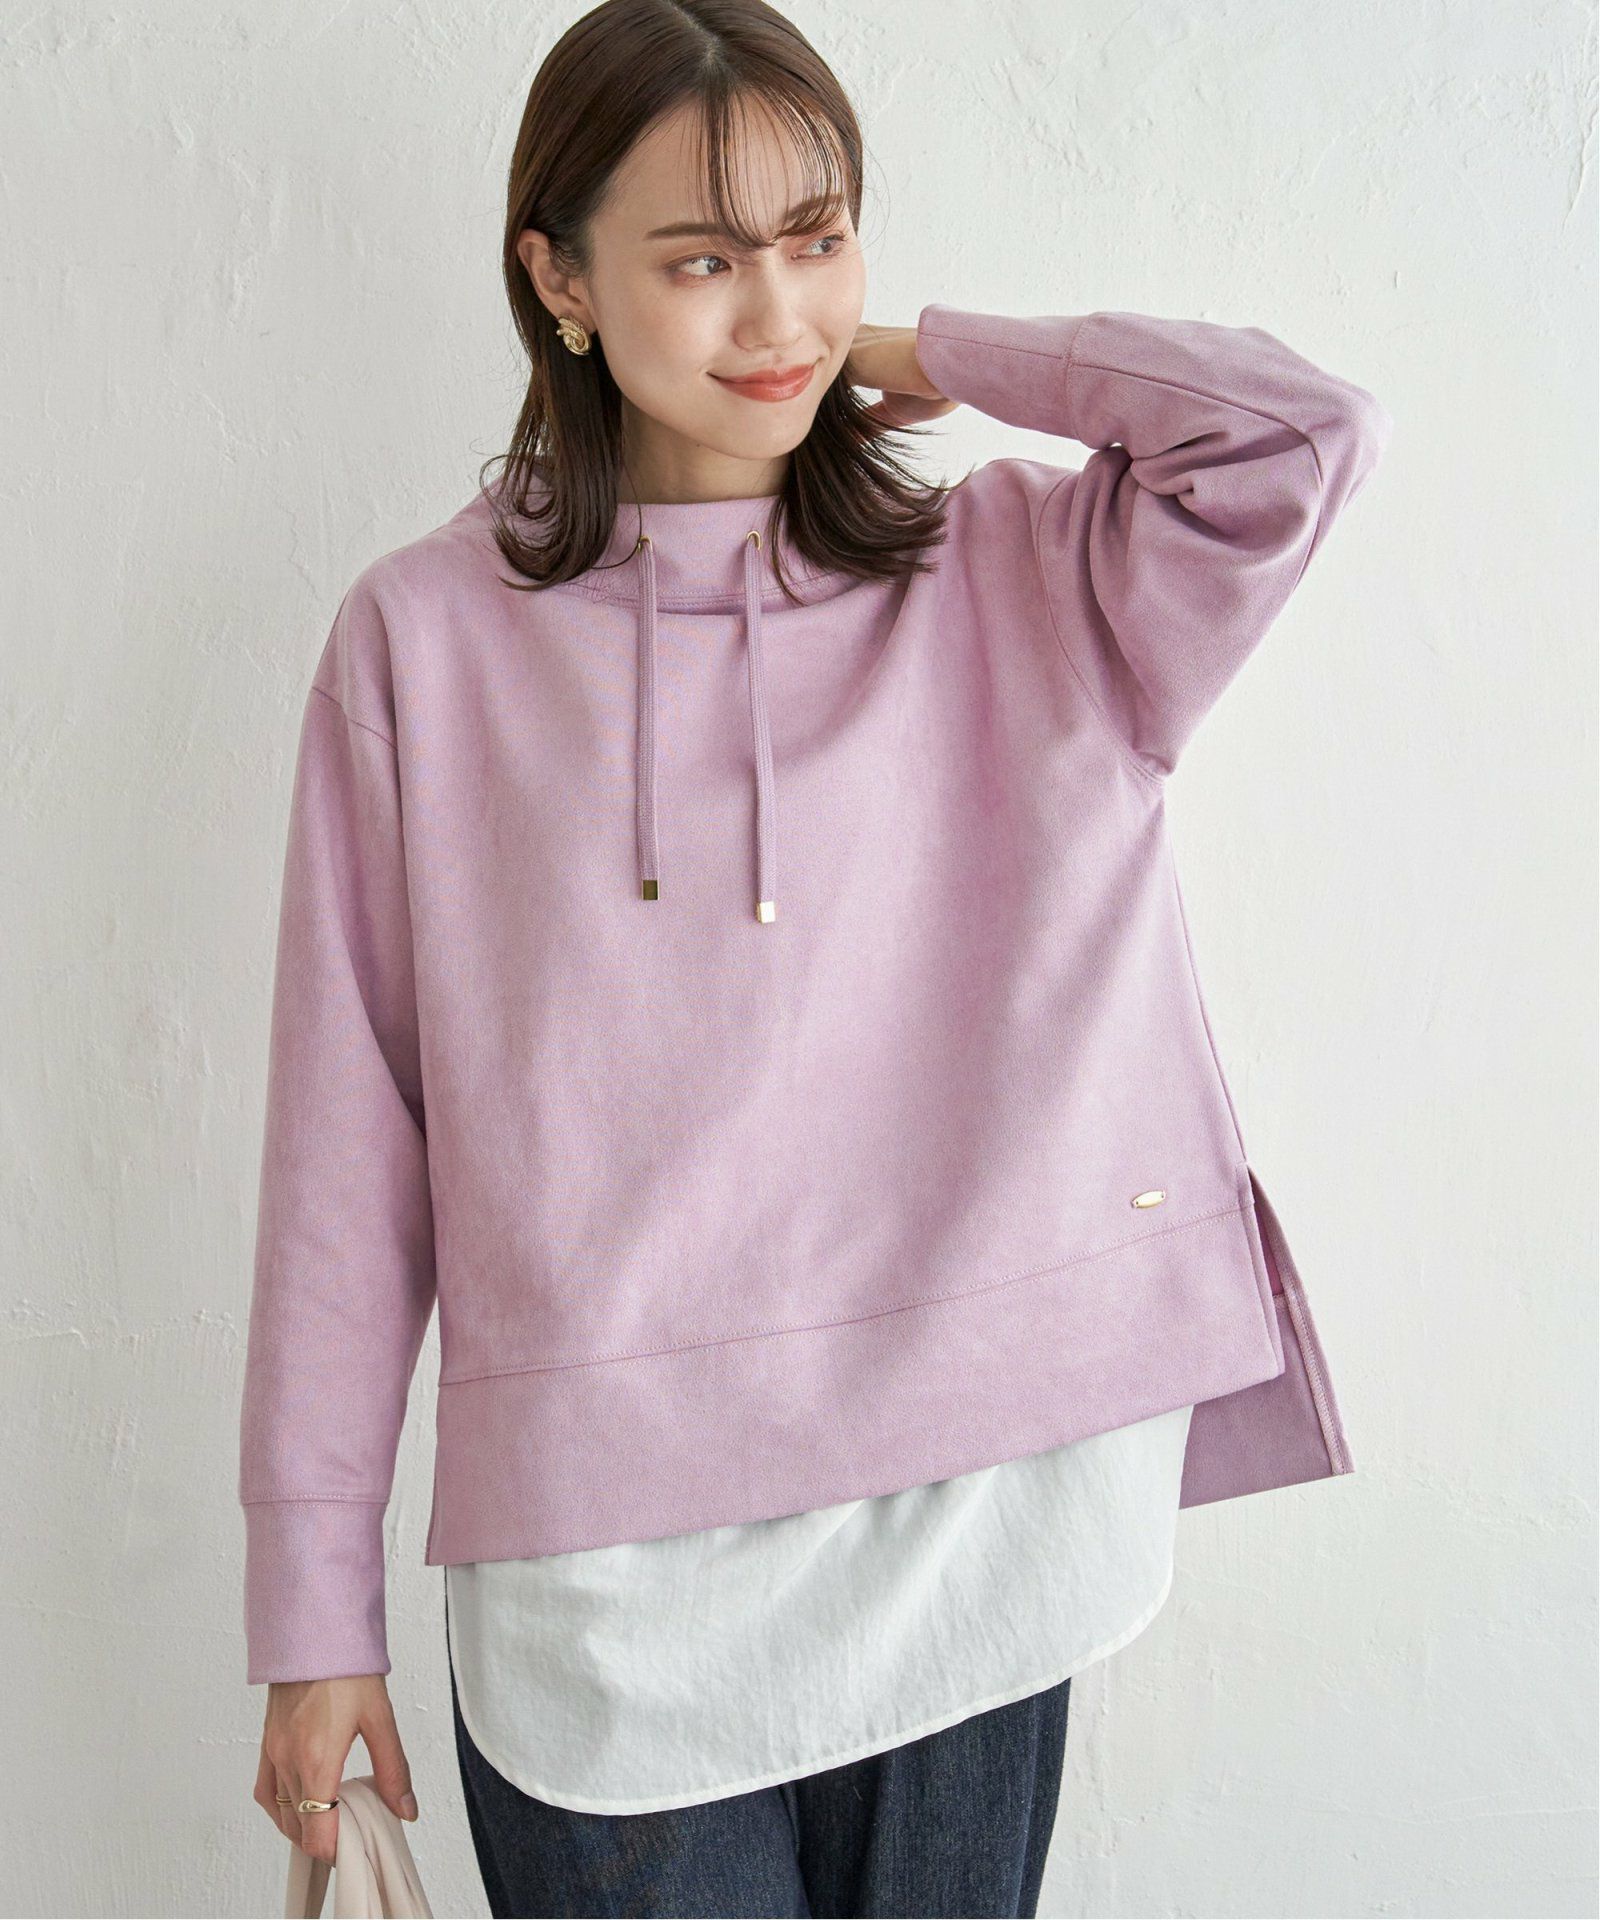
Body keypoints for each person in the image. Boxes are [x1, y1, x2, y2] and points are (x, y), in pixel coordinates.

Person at [240, 2, 1391, 1913]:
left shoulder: (1026, 577)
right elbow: (346, 1153)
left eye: (817, 237)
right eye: (702, 260)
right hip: (606, 1573)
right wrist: (311, 1607)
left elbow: (1298, 434)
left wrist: (918, 351)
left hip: (972, 1509)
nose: (777, 310)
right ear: (559, 280)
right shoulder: (423, 643)